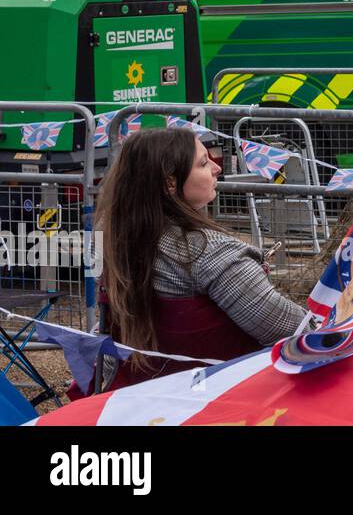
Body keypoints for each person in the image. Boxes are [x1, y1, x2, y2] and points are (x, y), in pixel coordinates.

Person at [96, 128, 305, 392]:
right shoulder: (211, 252)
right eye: (204, 163)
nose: (217, 169)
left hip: (142, 396)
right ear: (170, 183)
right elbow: (290, 330)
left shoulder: (112, 244)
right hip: (226, 396)